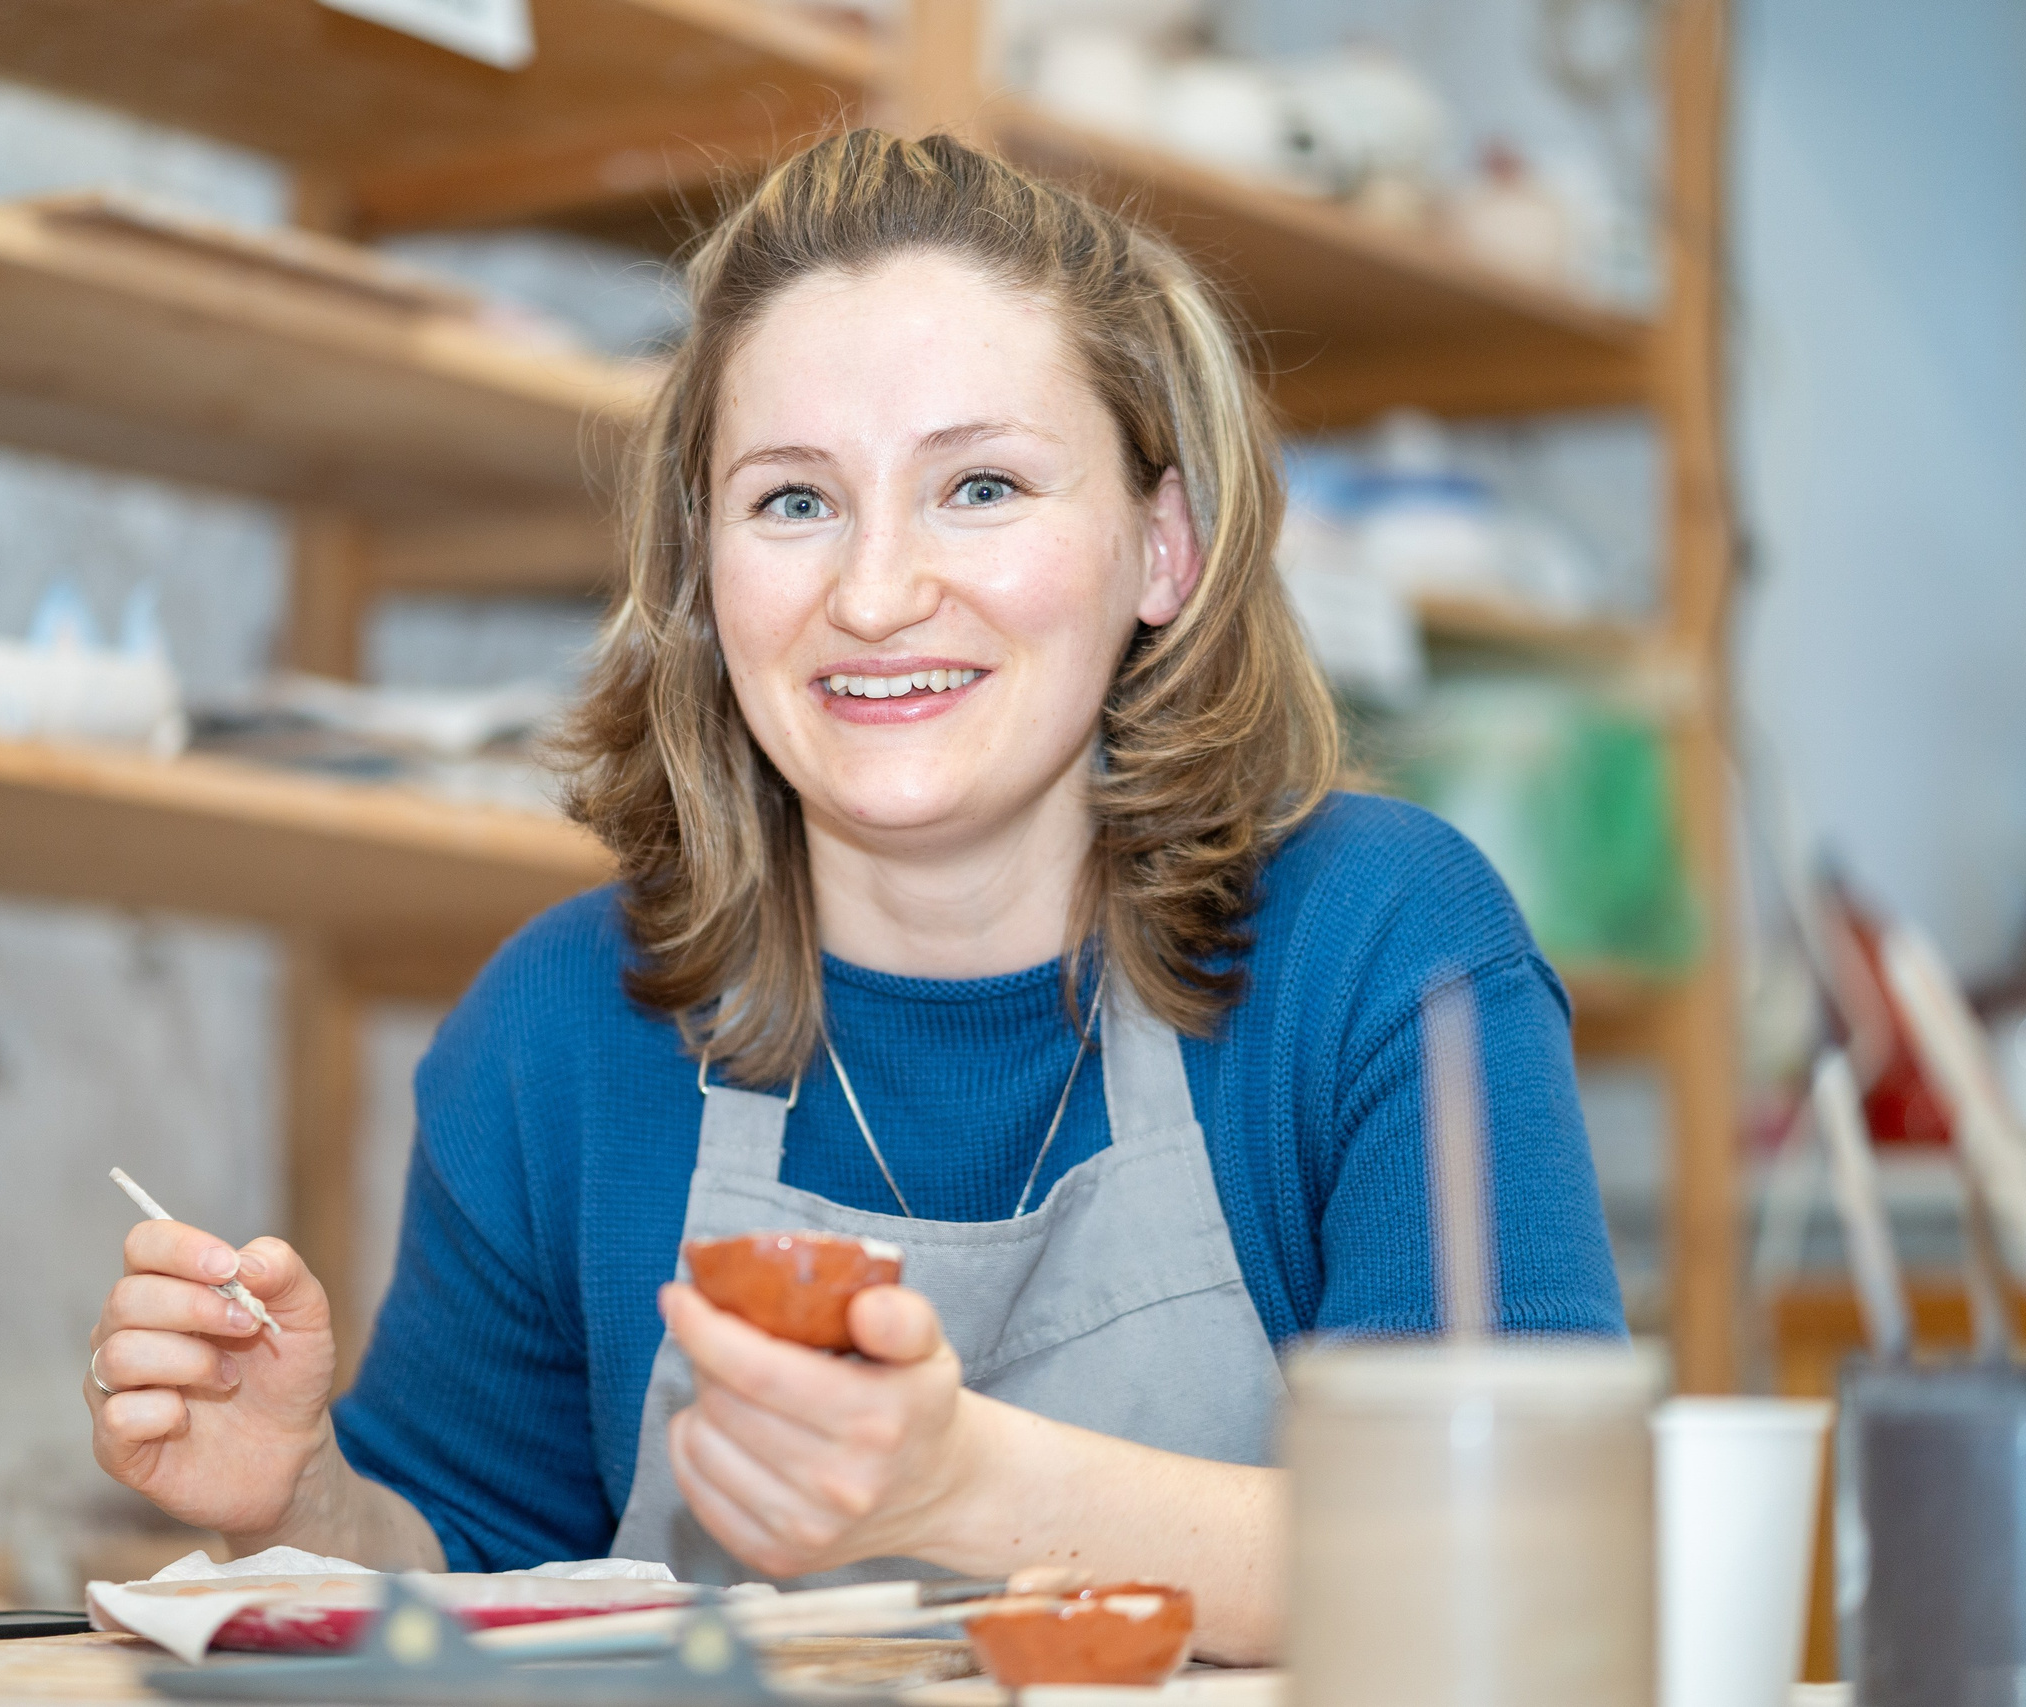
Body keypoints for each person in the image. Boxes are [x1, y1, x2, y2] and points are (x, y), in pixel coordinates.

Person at [83, 130, 1622, 1665]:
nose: (875, 593)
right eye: (795, 503)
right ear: (703, 564)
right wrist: (296, 1504)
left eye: (981, 485)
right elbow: (472, 1578)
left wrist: (962, 1485)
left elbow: (1527, 1563)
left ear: (1163, 546)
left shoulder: (1383, 956)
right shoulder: (561, 1034)